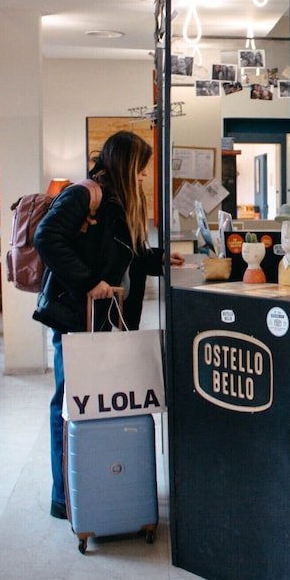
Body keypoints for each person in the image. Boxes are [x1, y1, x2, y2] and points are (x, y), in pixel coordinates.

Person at [32, 130, 183, 520]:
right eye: (140, 168)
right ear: (125, 164)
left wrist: (159, 259)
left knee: (92, 403)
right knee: (70, 404)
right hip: (76, 317)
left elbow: (125, 253)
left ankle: (95, 485)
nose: (143, 176)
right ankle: (65, 498)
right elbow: (46, 237)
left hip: (103, 320)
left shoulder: (118, 200)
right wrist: (89, 282)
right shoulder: (85, 195)